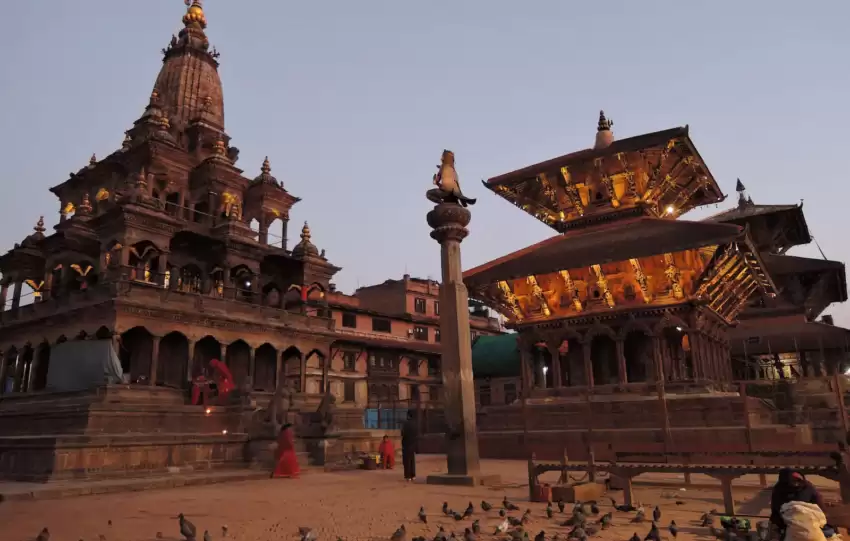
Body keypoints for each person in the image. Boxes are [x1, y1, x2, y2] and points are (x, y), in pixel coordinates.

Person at [770, 468, 825, 533]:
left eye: (798, 480)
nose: (796, 483)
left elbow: (819, 506)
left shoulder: (807, 487)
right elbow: (776, 508)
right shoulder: (779, 489)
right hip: (786, 520)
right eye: (793, 481)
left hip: (809, 520)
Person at [401, 410, 418, 482]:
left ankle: (408, 476)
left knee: (406, 461)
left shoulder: (406, 424)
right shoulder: (415, 424)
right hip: (413, 444)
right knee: (412, 460)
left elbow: (403, 433)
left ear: (408, 415)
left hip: (406, 444)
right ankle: (413, 475)